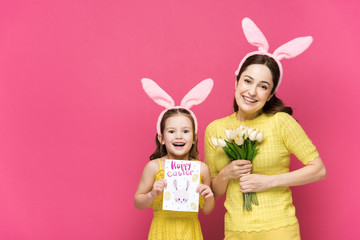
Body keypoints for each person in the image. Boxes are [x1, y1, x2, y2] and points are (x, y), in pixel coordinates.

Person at [204, 18, 326, 240]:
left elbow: (318, 170)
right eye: (247, 81)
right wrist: (226, 173)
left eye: (263, 87)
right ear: (236, 82)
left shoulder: (280, 121)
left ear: (270, 95)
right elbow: (214, 191)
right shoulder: (215, 129)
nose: (252, 91)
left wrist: (269, 181)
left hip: (280, 229)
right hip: (235, 230)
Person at [134, 78, 215, 240]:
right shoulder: (154, 167)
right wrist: (151, 195)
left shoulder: (201, 169)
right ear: (161, 138)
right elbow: (138, 202)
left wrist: (209, 196)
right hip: (162, 232)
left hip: (190, 231)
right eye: (171, 131)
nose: (179, 136)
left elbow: (207, 210)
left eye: (185, 131)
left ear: (194, 138)